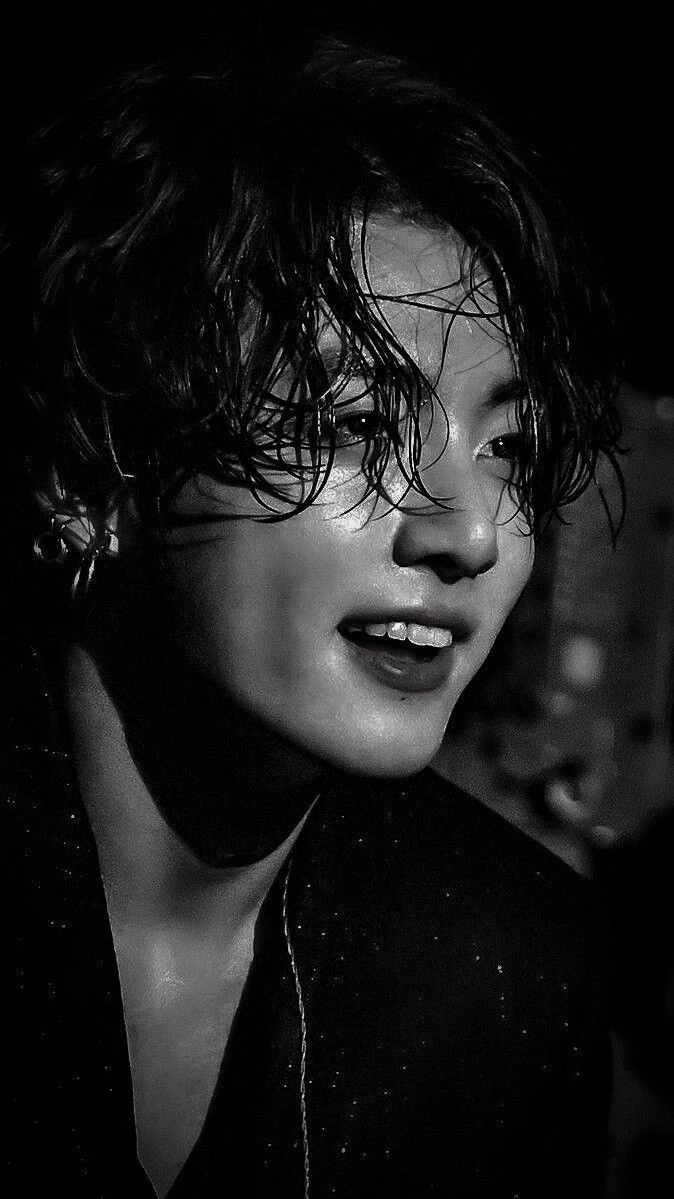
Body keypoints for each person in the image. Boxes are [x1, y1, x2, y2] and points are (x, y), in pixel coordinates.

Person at [1, 37, 622, 1198]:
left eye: (509, 445)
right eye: (355, 424)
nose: (471, 531)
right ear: (90, 472)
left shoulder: (510, 971)